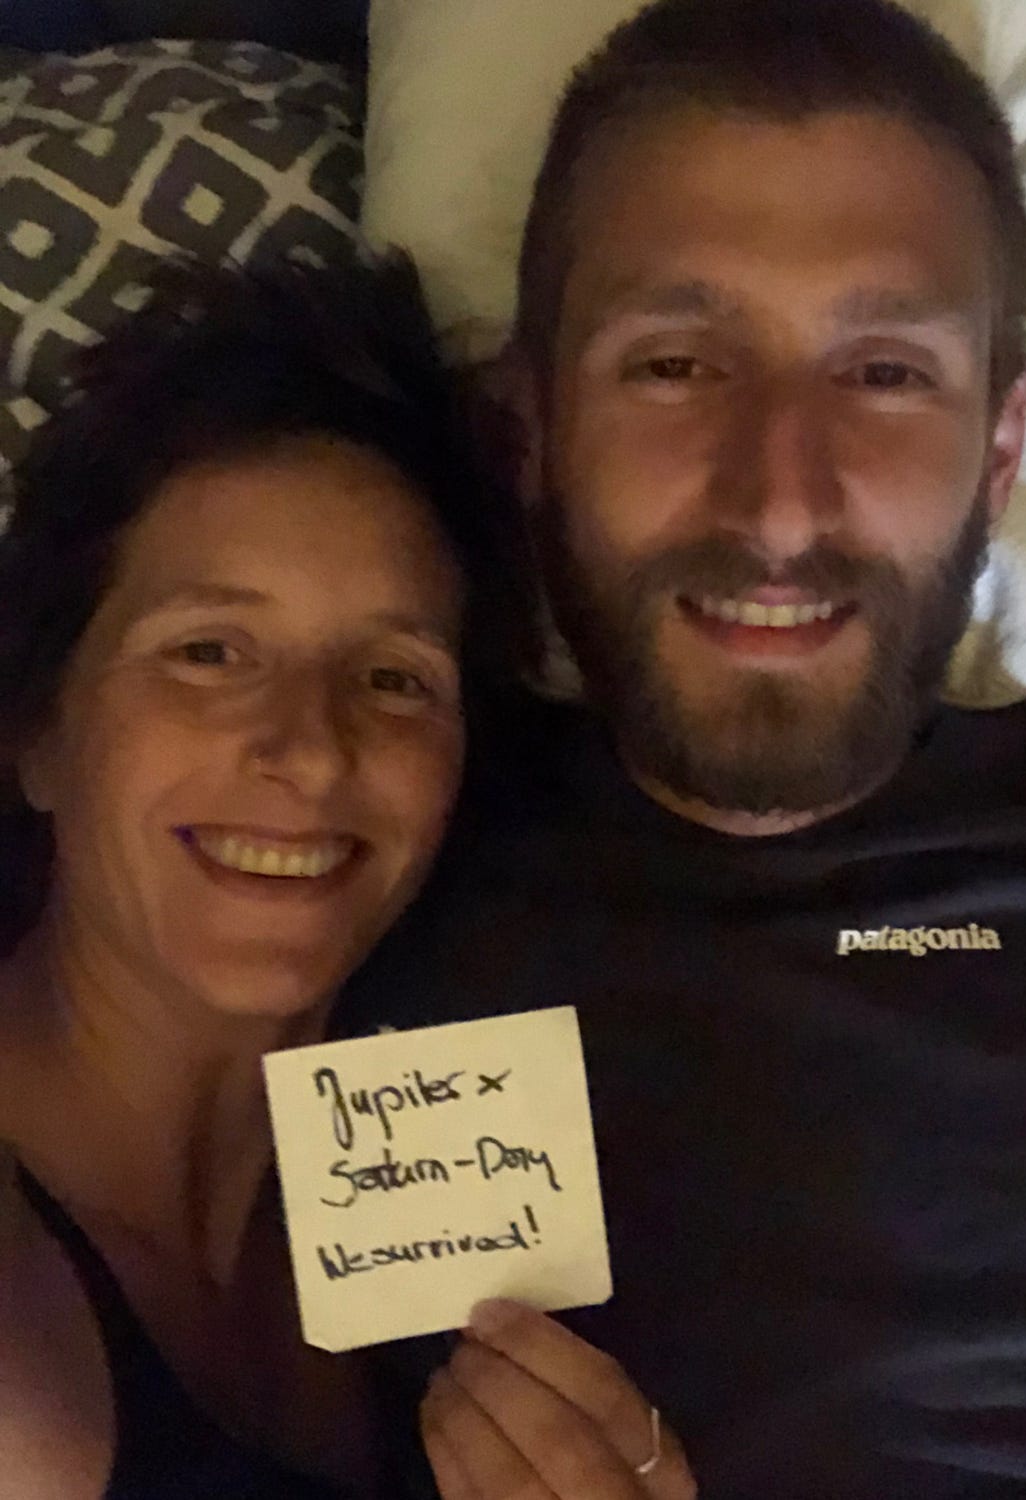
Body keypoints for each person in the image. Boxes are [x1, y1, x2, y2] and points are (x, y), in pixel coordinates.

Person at [340, 1, 1026, 1496]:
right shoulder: (331, 847)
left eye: (882, 375)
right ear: (529, 424)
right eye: (676, 364)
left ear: (1000, 451)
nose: (781, 505)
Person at [0, 258, 696, 1500]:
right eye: (209, 652)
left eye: (393, 678)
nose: (311, 749)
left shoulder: (421, 1216)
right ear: (40, 732)